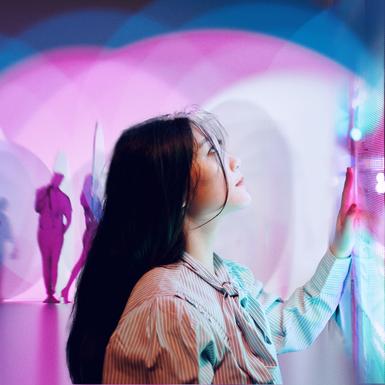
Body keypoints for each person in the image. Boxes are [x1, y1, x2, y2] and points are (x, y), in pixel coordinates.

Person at [65, 108, 361, 384]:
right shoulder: (168, 309)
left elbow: (289, 325)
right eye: (212, 152)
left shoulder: (227, 277)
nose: (234, 161)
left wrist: (339, 247)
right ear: (178, 190)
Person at [60, 174, 101, 303]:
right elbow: (95, 213)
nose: (94, 183)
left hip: (95, 233)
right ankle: (68, 290)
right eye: (92, 181)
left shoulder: (93, 197)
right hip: (91, 233)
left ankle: (69, 290)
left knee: (86, 263)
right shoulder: (85, 196)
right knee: (83, 262)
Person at [35, 172, 72, 303]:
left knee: (54, 263)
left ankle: (53, 291)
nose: (57, 180)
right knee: (46, 262)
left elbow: (69, 217)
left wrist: (62, 231)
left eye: (59, 179)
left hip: (56, 233)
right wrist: (45, 193)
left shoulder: (63, 197)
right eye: (56, 178)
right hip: (44, 232)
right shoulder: (42, 192)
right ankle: (48, 292)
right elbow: (37, 208)